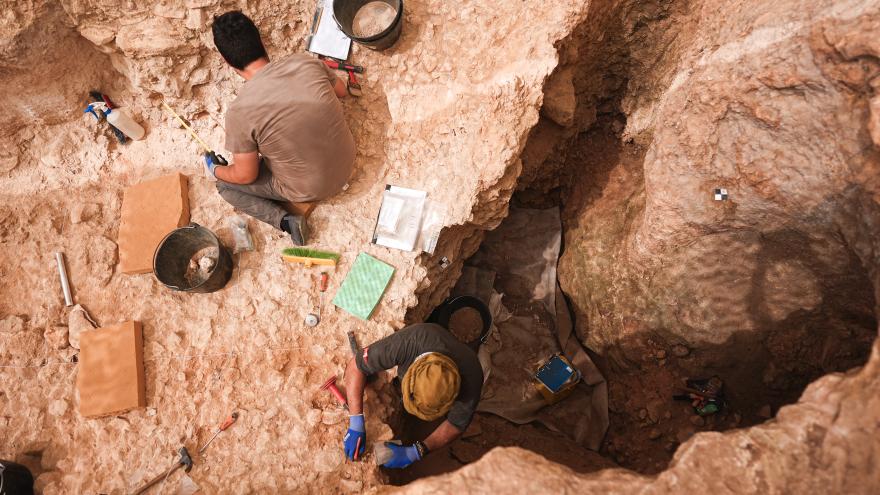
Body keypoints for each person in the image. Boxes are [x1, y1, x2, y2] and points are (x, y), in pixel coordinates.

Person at [208, 11, 355, 245]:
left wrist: (215, 169)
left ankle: (286, 221)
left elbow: (246, 175)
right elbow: (342, 91)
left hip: (314, 187)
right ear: (261, 40)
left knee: (225, 187)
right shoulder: (305, 61)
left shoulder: (239, 112)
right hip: (347, 160)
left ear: (227, 62)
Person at [342, 323, 484, 468]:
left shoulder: (473, 378)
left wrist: (417, 451)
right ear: (413, 369)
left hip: (464, 355)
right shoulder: (410, 342)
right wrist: (356, 421)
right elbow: (355, 366)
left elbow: (456, 424)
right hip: (429, 337)